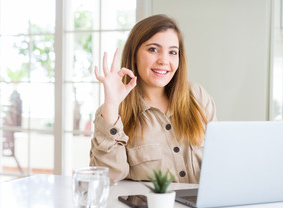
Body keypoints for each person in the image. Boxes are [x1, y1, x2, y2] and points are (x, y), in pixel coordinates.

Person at [90, 14, 216, 184]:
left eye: (172, 52)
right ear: (134, 54)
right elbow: (108, 178)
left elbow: (220, 160)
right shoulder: (113, 112)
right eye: (153, 49)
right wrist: (112, 105)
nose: (164, 60)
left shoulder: (198, 96)